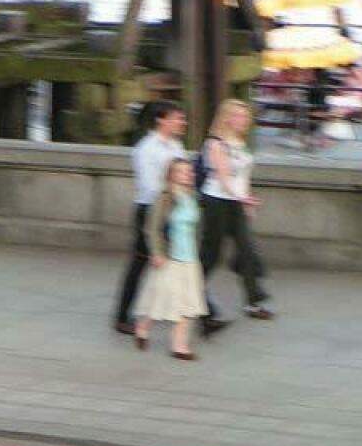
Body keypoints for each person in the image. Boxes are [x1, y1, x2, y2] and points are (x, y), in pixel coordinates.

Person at [114, 101, 223, 335]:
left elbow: (184, 175)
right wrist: (175, 193)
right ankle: (123, 316)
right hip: (152, 210)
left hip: (176, 208)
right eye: (177, 118)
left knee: (182, 260)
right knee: (143, 264)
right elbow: (151, 185)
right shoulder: (146, 148)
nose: (182, 122)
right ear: (161, 120)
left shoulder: (176, 146)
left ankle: (206, 315)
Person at [200, 99, 273, 320]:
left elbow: (243, 175)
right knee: (212, 255)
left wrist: (245, 200)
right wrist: (242, 198)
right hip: (216, 201)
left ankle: (253, 301)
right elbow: (223, 178)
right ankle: (188, 291)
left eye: (246, 116)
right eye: (240, 116)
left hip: (236, 201)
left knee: (247, 250)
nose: (245, 121)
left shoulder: (240, 142)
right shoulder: (216, 143)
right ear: (227, 118)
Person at [132, 158, 207, 360]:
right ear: (172, 174)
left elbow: (197, 229)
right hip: (170, 257)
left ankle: (180, 345)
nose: (188, 175)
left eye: (189, 171)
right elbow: (152, 228)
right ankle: (143, 326)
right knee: (161, 297)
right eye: (182, 171)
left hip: (190, 258)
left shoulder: (193, 198)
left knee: (187, 302)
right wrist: (157, 252)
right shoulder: (164, 199)